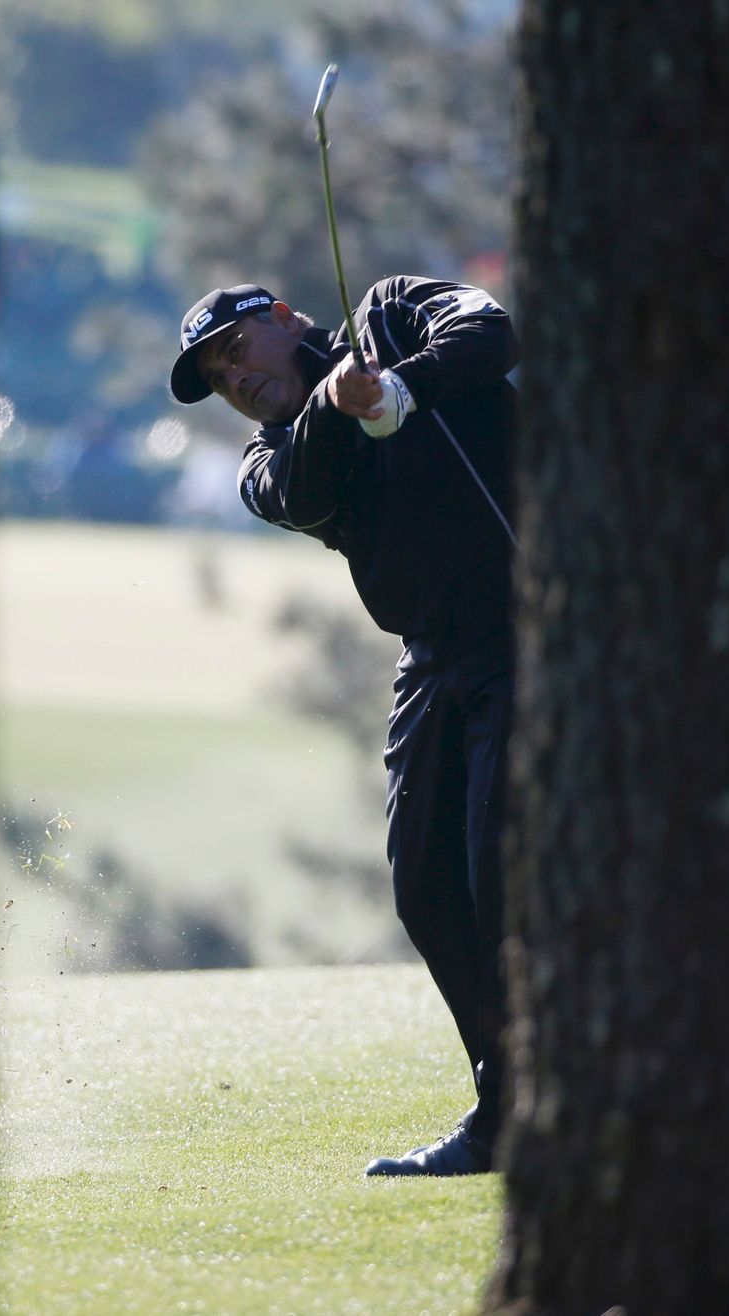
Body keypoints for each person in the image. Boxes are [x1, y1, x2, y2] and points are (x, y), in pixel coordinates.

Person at [168, 276, 519, 1176]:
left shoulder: (395, 312)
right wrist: (337, 403)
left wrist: (401, 386)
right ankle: (509, 1106)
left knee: (500, 872)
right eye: (214, 374)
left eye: (236, 347)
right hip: (433, 657)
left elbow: (490, 333)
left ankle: (570, 1095)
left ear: (283, 316)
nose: (232, 376)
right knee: (425, 888)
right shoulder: (270, 460)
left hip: (531, 626)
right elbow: (308, 491)